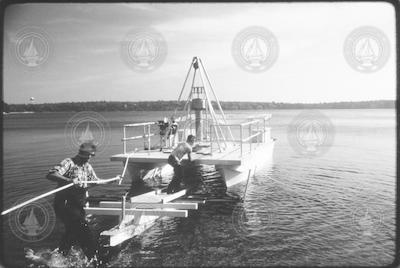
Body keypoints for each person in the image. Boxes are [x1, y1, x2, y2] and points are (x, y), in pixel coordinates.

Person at [46, 142, 119, 265]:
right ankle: (95, 260)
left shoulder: (87, 167)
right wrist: (68, 180)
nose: (89, 158)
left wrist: (112, 180)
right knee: (83, 229)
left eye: (91, 156)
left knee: (72, 232)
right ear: (82, 153)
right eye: (88, 155)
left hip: (78, 205)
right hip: (64, 204)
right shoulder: (69, 163)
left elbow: (95, 181)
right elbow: (51, 174)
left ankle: (58, 258)